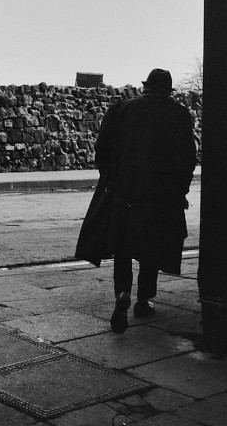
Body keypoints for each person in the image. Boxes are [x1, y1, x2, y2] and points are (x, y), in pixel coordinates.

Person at [92, 68, 196, 334]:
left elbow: (101, 150)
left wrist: (111, 179)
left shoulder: (121, 110)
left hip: (124, 193)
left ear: (145, 87)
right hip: (160, 197)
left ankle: (122, 294)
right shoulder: (179, 115)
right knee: (151, 249)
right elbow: (187, 160)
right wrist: (180, 193)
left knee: (122, 250)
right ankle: (143, 299)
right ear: (167, 91)